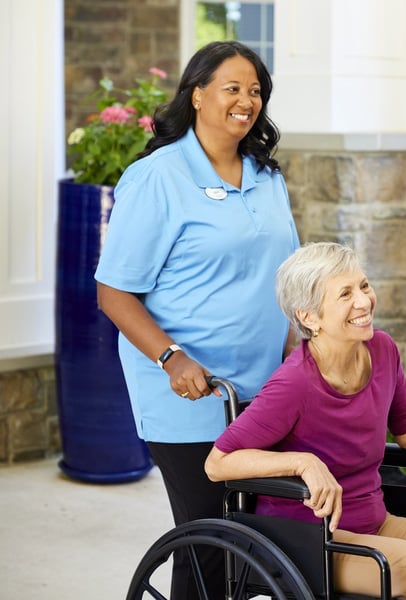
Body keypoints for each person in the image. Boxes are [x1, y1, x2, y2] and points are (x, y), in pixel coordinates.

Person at [205, 242, 406, 599]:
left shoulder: (382, 351)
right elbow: (218, 463)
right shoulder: (294, 384)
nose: (363, 301)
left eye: (364, 286)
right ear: (309, 317)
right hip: (312, 541)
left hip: (375, 522)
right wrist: (303, 462)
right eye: (345, 294)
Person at [94, 41, 299, 599]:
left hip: (262, 390)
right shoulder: (158, 177)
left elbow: (284, 279)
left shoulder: (265, 174)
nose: (246, 100)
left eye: (255, 90)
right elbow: (114, 292)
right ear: (197, 93)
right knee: (210, 543)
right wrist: (171, 357)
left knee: (264, 543)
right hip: (190, 394)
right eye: (232, 87)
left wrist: (298, 356)